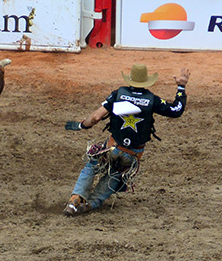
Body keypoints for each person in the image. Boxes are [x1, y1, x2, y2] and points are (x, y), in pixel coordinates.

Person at [63, 64, 188, 216]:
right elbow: (176, 110)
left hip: (112, 147)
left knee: (92, 165)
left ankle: (75, 199)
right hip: (133, 153)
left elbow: (96, 117)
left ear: (130, 80)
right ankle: (92, 204)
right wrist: (181, 87)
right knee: (116, 174)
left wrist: (82, 125)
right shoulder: (152, 100)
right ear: (146, 81)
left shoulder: (118, 94)